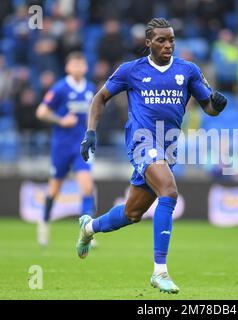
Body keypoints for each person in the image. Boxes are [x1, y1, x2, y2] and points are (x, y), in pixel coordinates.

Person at [77, 18, 227, 294]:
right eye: (161, 40)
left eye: (171, 39)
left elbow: (208, 107)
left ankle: (89, 227)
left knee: (132, 213)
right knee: (169, 191)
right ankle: (160, 271)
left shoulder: (189, 70)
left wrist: (217, 105)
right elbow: (99, 98)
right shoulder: (131, 70)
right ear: (148, 43)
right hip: (141, 141)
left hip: (168, 145)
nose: (168, 44)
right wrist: (90, 132)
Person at [36, 52, 97, 247]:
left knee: (87, 186)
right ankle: (44, 222)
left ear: (86, 67)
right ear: (68, 67)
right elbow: (42, 112)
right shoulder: (60, 88)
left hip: (81, 146)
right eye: (75, 64)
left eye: (82, 63)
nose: (79, 67)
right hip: (61, 146)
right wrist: (61, 120)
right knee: (54, 189)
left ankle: (87, 232)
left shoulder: (90, 88)